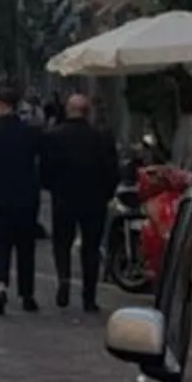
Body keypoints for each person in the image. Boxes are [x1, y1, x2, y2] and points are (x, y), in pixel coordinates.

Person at [44, 91, 119, 313]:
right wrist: (106, 193)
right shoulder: (101, 137)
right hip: (93, 200)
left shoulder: (53, 137)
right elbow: (111, 171)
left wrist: (54, 188)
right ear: (88, 113)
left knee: (61, 243)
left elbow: (45, 171)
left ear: (68, 111)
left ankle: (64, 279)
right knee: (91, 249)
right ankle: (89, 296)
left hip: (64, 198)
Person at [0, 85, 45, 315]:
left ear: (0, 105)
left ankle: (1, 284)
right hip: (26, 197)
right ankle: (27, 294)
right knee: (26, 247)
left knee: (2, 244)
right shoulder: (30, 133)